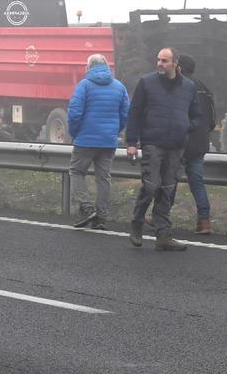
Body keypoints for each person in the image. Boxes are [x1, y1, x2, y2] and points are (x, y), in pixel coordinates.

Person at [125, 47, 201, 251]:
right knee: (151, 186)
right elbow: (134, 113)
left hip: (176, 145)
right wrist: (131, 142)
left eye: (165, 60)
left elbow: (197, 115)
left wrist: (186, 125)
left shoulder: (188, 87)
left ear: (176, 63)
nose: (160, 64)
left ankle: (163, 234)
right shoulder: (147, 82)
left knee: (168, 189)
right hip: (153, 143)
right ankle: (137, 221)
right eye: (158, 60)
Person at [67, 53, 130, 229]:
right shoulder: (119, 87)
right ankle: (101, 218)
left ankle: (87, 209)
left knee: (76, 172)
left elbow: (74, 113)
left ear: (89, 67)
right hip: (108, 141)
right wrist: (113, 131)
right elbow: (125, 114)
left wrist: (74, 133)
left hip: (85, 140)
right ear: (106, 67)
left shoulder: (84, 86)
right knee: (103, 178)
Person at [178, 55, 216, 234]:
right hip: (200, 143)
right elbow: (212, 120)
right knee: (197, 183)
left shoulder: (179, 86)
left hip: (180, 140)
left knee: (169, 180)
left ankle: (158, 217)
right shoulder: (204, 88)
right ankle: (204, 221)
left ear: (179, 67)